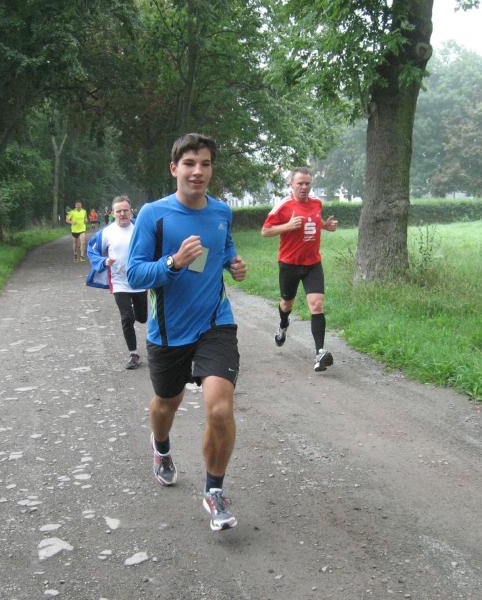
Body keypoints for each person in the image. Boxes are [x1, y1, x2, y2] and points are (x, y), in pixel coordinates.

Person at [127, 133, 247, 532]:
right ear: (174, 168)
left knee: (220, 409)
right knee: (168, 402)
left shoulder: (222, 211)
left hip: (215, 323)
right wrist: (173, 263)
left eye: (206, 164)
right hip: (168, 331)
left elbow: (224, 248)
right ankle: (161, 447)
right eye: (190, 163)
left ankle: (214, 491)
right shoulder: (153, 215)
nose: (198, 171)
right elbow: (134, 273)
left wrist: (233, 263)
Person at [261, 167, 338, 371]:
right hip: (289, 264)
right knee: (287, 303)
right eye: (300, 183)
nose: (304, 187)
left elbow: (314, 221)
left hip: (313, 263)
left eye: (307, 183)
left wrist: (326, 226)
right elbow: (265, 231)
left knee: (317, 305)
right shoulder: (283, 206)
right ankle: (283, 324)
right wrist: (287, 226)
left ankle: (320, 353)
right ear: (291, 184)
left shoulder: (317, 203)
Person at [85, 196, 147, 370]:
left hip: (140, 280)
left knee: (142, 317)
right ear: (112, 213)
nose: (122, 214)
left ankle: (136, 313)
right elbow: (91, 250)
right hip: (119, 281)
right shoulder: (106, 233)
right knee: (127, 318)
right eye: (118, 211)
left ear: (131, 211)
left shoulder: (140, 228)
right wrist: (103, 261)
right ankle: (133, 354)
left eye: (125, 210)